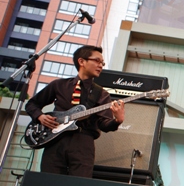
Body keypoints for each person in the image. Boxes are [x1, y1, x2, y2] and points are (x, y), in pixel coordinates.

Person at [25, 45, 125, 178]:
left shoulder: (101, 94)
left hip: (83, 143)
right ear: (81, 61)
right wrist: (40, 116)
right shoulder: (59, 85)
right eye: (97, 61)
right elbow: (32, 104)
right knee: (49, 183)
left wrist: (117, 120)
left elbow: (103, 124)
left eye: (102, 63)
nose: (101, 65)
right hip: (55, 141)